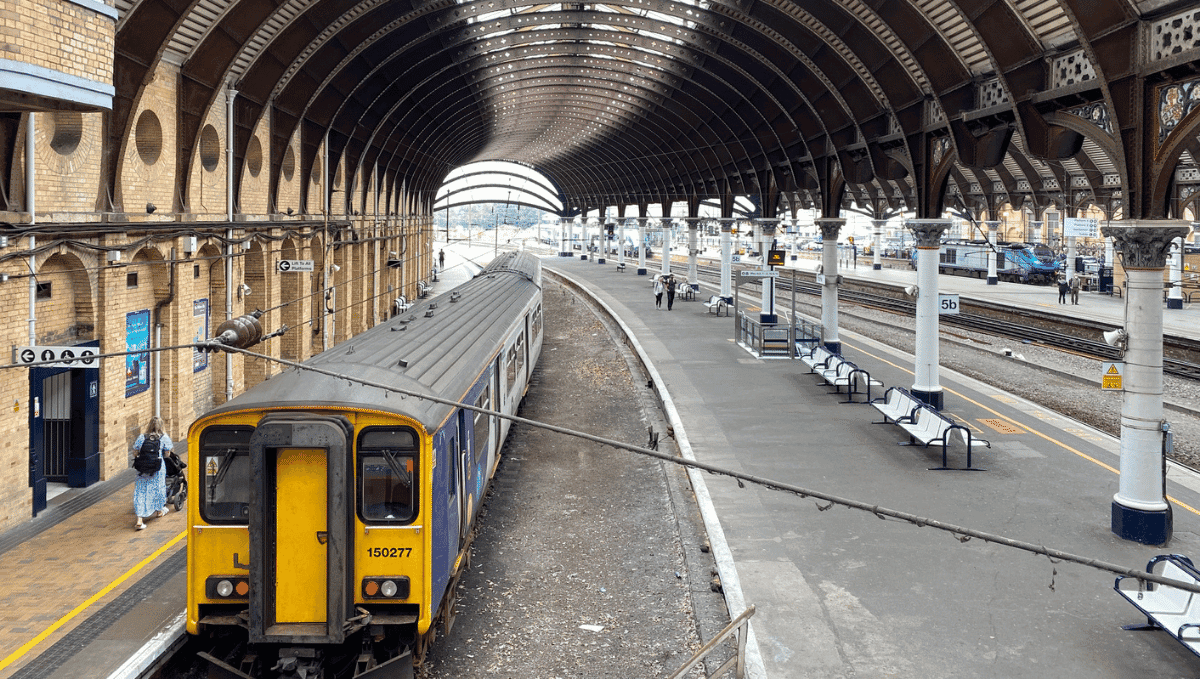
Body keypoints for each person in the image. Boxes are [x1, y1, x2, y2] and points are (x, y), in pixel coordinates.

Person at [132, 416, 173, 530]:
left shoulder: (142, 437)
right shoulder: (163, 437)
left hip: (143, 469)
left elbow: (135, 452)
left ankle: (139, 520)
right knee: (158, 488)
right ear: (162, 426)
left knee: (140, 492)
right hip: (157, 468)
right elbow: (167, 454)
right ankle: (159, 510)